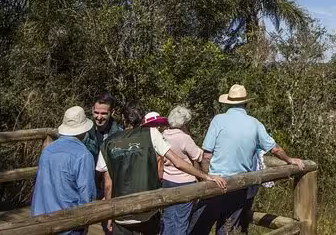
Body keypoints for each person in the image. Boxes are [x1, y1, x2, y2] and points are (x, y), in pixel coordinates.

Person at [97, 104, 227, 235]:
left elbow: (108, 184)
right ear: (142, 119)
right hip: (147, 208)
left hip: (121, 212)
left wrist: (109, 214)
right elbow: (178, 162)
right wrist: (206, 176)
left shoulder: (107, 143)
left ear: (123, 119)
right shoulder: (151, 134)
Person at [192, 84, 304, 235]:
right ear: (246, 103)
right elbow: (274, 148)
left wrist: (207, 177)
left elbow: (206, 155)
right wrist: (289, 159)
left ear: (227, 103)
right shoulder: (255, 123)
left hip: (216, 183)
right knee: (227, 229)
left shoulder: (218, 120)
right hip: (239, 184)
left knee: (198, 228)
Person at [31, 106, 96, 235]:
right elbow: (86, 195)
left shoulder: (48, 150)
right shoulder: (83, 155)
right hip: (68, 224)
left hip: (40, 218)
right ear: (84, 130)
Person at [160, 106, 205, 235]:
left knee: (168, 218)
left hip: (167, 180)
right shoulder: (184, 138)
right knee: (181, 220)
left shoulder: (164, 134)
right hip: (185, 182)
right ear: (185, 123)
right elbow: (198, 155)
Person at [83, 92, 122, 235]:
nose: (99, 117)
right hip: (88, 185)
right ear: (92, 110)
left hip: (109, 188)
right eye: (96, 112)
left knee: (109, 228)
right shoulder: (84, 131)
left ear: (112, 112)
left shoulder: (118, 134)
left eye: (104, 113)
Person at [142, 111, 169, 180]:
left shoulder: (163, 139)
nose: (158, 127)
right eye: (154, 124)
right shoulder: (145, 141)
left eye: (159, 124)